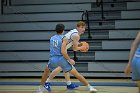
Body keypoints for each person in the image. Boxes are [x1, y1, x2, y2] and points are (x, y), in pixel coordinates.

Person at [43, 21, 97, 93]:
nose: (83, 29)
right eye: (81, 27)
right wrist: (82, 48)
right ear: (77, 27)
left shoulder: (74, 32)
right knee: (63, 69)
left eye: (84, 27)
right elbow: (74, 48)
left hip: (60, 51)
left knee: (64, 68)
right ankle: (89, 87)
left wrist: (79, 44)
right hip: (61, 52)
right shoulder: (76, 35)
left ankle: (68, 84)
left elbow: (71, 42)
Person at [38, 24, 79, 93]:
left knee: (47, 72)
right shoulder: (64, 38)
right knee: (68, 69)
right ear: (63, 30)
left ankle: (41, 89)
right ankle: (48, 83)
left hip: (52, 58)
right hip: (60, 58)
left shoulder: (52, 38)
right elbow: (63, 51)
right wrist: (70, 59)